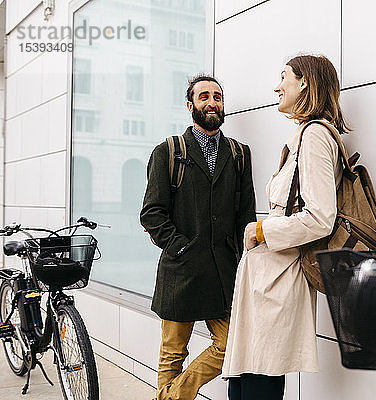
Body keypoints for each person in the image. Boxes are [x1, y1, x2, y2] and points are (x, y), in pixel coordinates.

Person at [222, 55, 350, 400]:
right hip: (270, 277)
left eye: (284, 77)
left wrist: (261, 231)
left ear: (304, 82)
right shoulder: (303, 138)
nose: (277, 86)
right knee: (252, 380)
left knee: (255, 385)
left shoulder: (315, 137)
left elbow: (321, 217)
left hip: (279, 279)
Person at [140, 75, 256, 400]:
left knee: (232, 343)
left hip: (223, 273)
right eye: (204, 96)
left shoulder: (239, 154)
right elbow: (151, 213)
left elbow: (246, 217)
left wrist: (246, 260)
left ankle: (168, 397)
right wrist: (180, 247)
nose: (212, 102)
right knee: (173, 353)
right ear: (190, 105)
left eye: (217, 97)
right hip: (181, 271)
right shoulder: (169, 151)